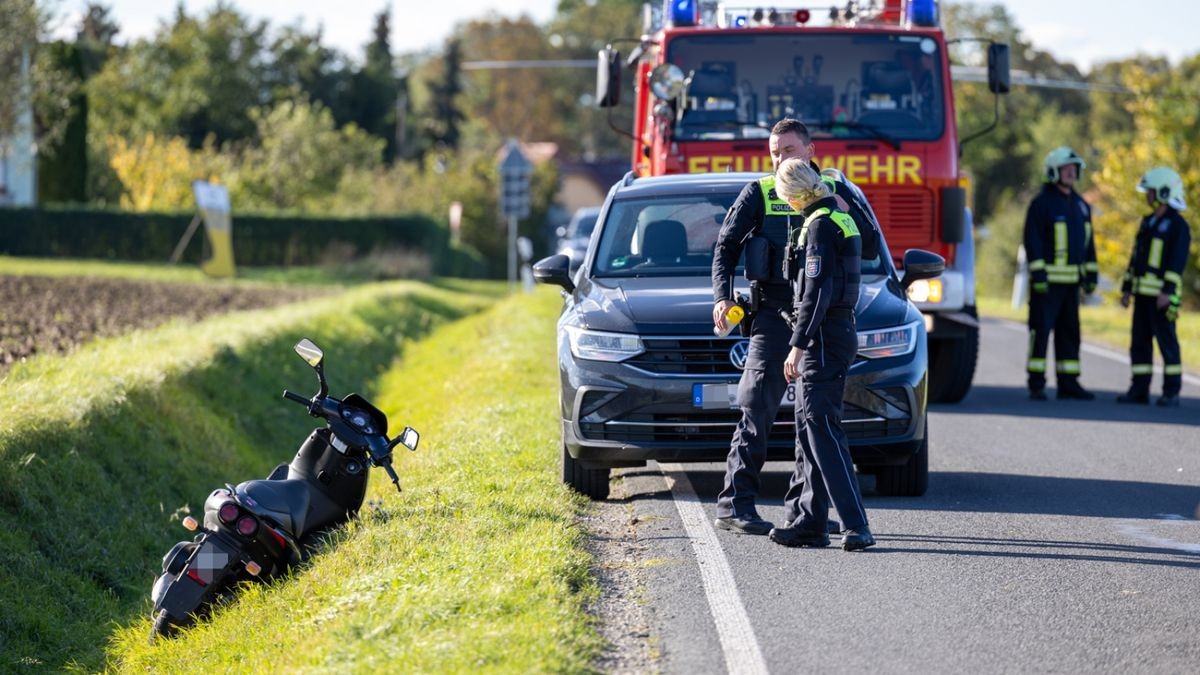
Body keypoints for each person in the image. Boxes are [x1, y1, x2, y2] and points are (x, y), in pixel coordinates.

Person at [710, 118, 881, 536]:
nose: (778, 158)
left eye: (786, 150)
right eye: (773, 151)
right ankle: (736, 504)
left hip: (817, 319)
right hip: (772, 314)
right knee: (757, 406)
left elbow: (872, 245)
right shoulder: (761, 191)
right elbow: (726, 246)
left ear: (809, 150)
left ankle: (807, 514)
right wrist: (723, 295)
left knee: (811, 418)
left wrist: (842, 204)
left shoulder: (836, 191)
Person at [765, 158, 874, 551]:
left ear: (792, 194)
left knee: (822, 429)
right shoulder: (838, 217)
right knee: (808, 430)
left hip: (824, 338)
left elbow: (817, 292)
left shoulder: (820, 227)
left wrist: (797, 343)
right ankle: (810, 522)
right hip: (835, 333)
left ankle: (855, 524)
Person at [1022, 146, 1099, 401]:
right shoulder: (1041, 204)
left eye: (1074, 169)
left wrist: (1091, 274)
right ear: (1053, 172)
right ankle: (1036, 383)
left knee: (1070, 333)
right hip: (1047, 285)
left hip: (1071, 286)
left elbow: (1088, 243)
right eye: (1066, 169)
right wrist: (1039, 273)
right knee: (1041, 331)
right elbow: (1032, 241)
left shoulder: (1081, 205)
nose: (1071, 173)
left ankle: (1069, 383)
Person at [1117, 167, 1192, 407]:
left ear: (1163, 192)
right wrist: (1127, 288)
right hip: (1142, 295)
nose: (1147, 196)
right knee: (1139, 343)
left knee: (1167, 343)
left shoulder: (1178, 226)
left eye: (1150, 191)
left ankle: (1172, 391)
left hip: (1161, 297)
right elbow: (1136, 258)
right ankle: (1139, 390)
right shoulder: (1148, 222)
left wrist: (1168, 291)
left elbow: (1177, 262)